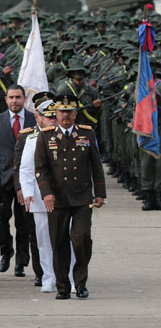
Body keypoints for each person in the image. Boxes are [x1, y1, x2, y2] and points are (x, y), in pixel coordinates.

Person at [34, 94, 106, 299]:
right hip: (57, 198)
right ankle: (63, 287)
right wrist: (46, 193)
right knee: (59, 243)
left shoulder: (87, 133)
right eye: (61, 111)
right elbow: (40, 168)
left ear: (75, 113)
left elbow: (96, 165)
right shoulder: (46, 136)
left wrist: (99, 193)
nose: (65, 115)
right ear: (55, 113)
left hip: (82, 197)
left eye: (69, 111)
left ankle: (80, 282)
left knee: (81, 239)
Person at [19, 91, 76, 294]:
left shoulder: (71, 136)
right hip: (40, 196)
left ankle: (69, 277)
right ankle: (48, 277)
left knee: (67, 239)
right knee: (44, 241)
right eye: (49, 116)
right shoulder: (33, 140)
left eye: (55, 116)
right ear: (40, 118)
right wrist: (27, 192)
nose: (52, 120)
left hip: (66, 197)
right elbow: (25, 169)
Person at [0, 84, 37, 278]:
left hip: (27, 180)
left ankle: (21, 262)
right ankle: (6, 252)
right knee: (1, 220)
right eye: (11, 97)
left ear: (25, 99)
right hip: (3, 180)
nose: (14, 101)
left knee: (24, 223)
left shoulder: (34, 120)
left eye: (18, 97)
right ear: (6, 99)